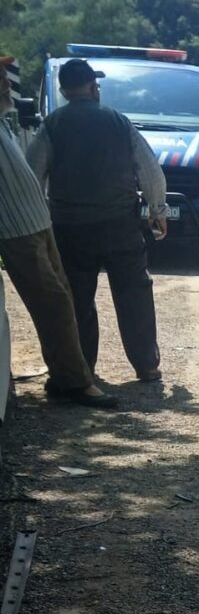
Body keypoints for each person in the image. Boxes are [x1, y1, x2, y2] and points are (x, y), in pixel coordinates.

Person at [27, 57, 166, 383]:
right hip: (120, 224)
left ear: (64, 90)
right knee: (134, 294)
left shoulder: (52, 125)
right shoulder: (118, 121)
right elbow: (150, 170)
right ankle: (146, 365)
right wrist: (157, 211)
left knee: (77, 300)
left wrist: (41, 219)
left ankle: (83, 367)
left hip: (70, 228)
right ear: (93, 87)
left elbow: (32, 174)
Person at [0, 59, 115, 408]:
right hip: (16, 229)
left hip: (37, 221)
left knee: (62, 299)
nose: (6, 84)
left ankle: (63, 376)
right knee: (55, 306)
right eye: (0, 80)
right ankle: (77, 383)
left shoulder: (4, 122)